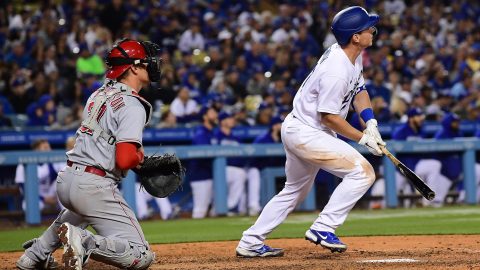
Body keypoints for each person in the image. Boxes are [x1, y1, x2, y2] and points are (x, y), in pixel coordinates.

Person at [236, 6, 385, 257]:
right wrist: (363, 139)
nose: (373, 30)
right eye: (367, 27)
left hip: (301, 129)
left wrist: (370, 122)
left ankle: (250, 242)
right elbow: (329, 118)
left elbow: (359, 90)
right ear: (355, 37)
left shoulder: (350, 54)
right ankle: (323, 227)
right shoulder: (336, 70)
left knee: (294, 191)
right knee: (363, 173)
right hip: (309, 132)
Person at [16, 38, 162, 270]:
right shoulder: (133, 104)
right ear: (134, 67)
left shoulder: (99, 94)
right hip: (94, 184)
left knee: (81, 212)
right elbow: (124, 159)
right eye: (146, 62)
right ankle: (84, 241)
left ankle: (34, 256)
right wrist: (139, 159)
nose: (153, 65)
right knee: (142, 255)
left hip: (69, 178)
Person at [391, 108, 451, 207]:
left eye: (421, 117)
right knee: (389, 194)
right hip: (401, 169)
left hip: (416, 165)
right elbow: (393, 152)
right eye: (418, 117)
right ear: (410, 118)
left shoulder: (421, 131)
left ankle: (429, 201)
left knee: (435, 165)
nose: (421, 119)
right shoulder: (401, 132)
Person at [15, 139, 64, 212]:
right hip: (35, 197)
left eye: (49, 147)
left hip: (50, 193)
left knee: (64, 181)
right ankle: (33, 223)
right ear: (36, 150)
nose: (49, 150)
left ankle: (70, 219)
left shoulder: (53, 161)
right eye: (45, 148)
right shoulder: (23, 165)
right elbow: (23, 187)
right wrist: (43, 199)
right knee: (28, 206)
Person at [213, 112, 248, 216]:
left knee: (241, 173)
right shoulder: (216, 136)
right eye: (229, 118)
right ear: (222, 121)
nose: (232, 120)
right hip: (220, 169)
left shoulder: (236, 138)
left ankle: (228, 207)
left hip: (235, 169)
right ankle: (224, 207)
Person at [188, 105, 218, 218]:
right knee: (200, 210)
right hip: (200, 176)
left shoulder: (212, 133)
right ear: (205, 116)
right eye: (212, 112)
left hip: (209, 175)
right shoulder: (201, 134)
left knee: (211, 210)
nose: (215, 115)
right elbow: (203, 156)